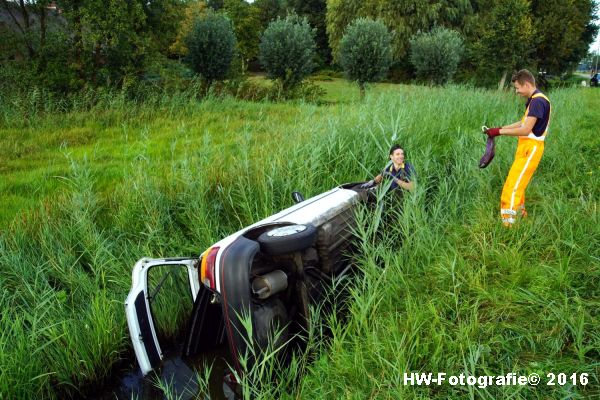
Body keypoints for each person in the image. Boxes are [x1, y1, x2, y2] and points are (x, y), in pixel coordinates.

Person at [484, 69, 551, 226]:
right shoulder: (535, 99)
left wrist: (499, 132)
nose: (517, 91)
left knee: (512, 187)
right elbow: (522, 122)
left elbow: (525, 130)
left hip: (531, 148)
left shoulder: (537, 102)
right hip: (526, 147)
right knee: (516, 183)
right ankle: (520, 218)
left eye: (517, 88)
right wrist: (498, 128)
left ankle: (510, 226)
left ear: (526, 84)